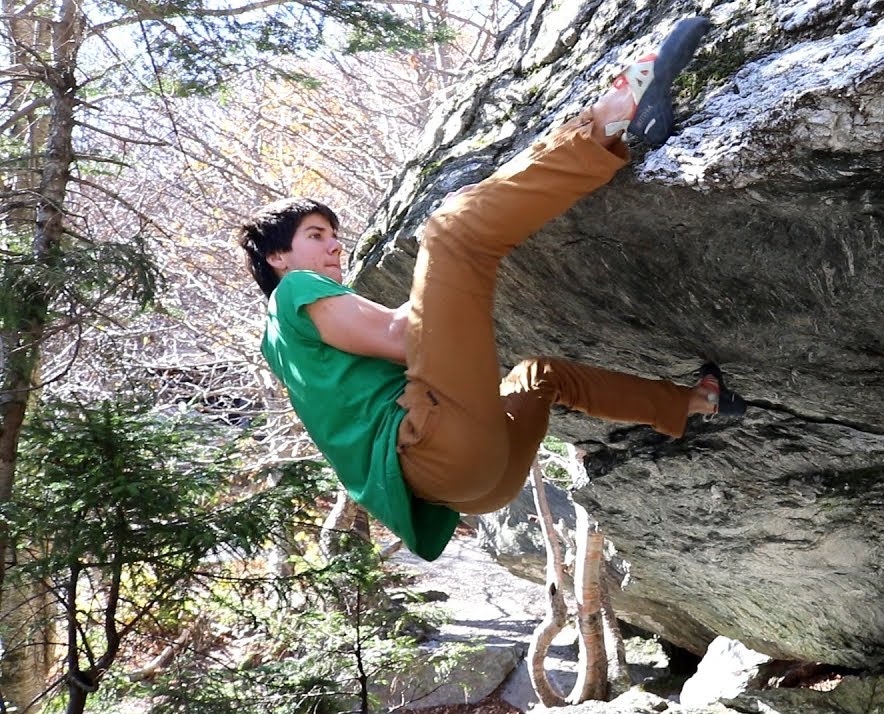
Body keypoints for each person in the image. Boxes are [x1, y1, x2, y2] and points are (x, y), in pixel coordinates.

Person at [236, 17, 744, 561]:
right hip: (440, 448)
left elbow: (417, 333)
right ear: (277, 257)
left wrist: (447, 296)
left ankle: (696, 402)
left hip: (477, 485)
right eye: (316, 236)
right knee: (452, 234)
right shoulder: (293, 293)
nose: (335, 246)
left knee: (540, 376)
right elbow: (400, 333)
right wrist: (449, 277)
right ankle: (607, 121)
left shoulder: (284, 342)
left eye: (336, 235)